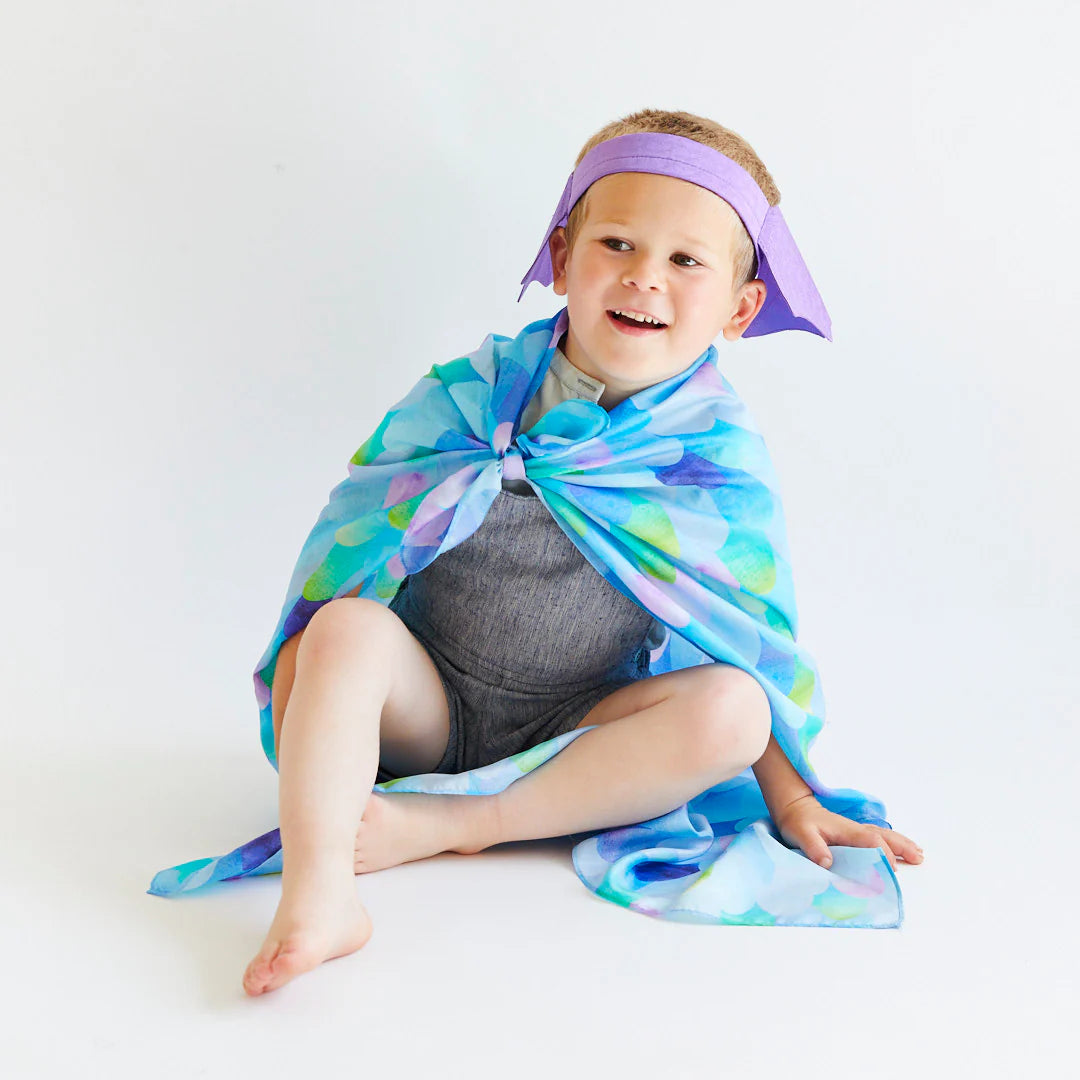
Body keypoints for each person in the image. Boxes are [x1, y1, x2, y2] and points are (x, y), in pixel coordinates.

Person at [241, 108, 924, 997]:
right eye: (617, 243)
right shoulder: (470, 395)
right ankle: (320, 894)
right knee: (337, 633)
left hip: (584, 735)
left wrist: (794, 801)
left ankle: (465, 824)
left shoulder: (712, 457)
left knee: (735, 709)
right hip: (425, 709)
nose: (645, 278)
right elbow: (358, 538)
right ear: (563, 258)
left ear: (740, 308)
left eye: (687, 261)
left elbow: (746, 635)